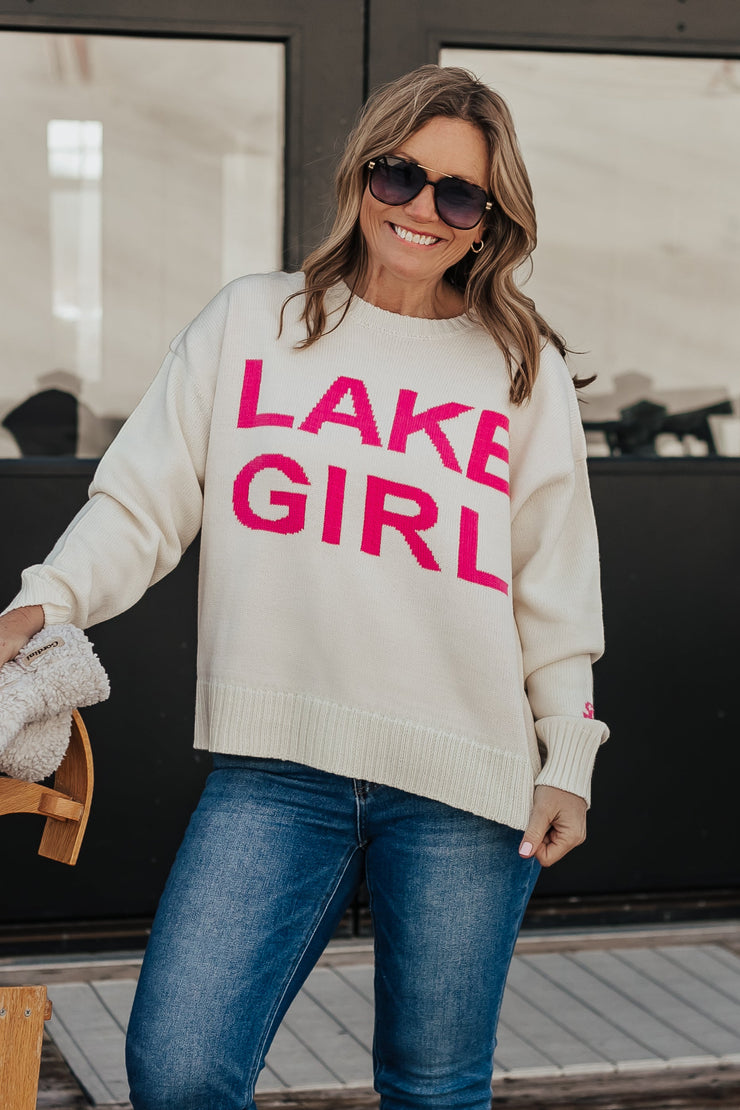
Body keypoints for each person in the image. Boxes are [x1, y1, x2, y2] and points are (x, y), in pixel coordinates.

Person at [0, 64, 608, 1110]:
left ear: (489, 219)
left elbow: (551, 581)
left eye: (459, 194)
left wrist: (569, 758)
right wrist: (41, 604)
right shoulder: (254, 321)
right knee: (180, 1069)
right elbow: (142, 503)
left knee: (433, 1088)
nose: (422, 208)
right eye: (399, 175)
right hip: (279, 770)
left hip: (468, 782)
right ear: (361, 175)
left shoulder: (518, 368)